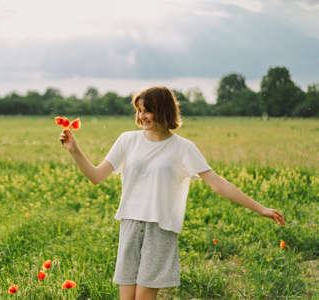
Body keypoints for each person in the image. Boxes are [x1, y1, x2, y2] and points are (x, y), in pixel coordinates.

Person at [58, 86, 285, 300]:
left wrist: (260, 208)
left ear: (164, 112)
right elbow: (96, 176)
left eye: (148, 111)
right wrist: (74, 150)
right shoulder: (128, 140)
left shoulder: (183, 148)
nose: (142, 116)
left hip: (160, 227)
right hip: (129, 223)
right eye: (139, 110)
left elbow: (218, 184)